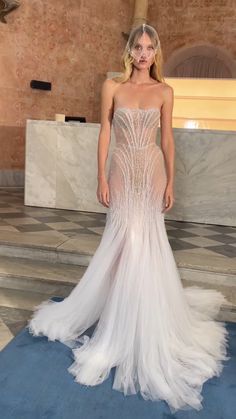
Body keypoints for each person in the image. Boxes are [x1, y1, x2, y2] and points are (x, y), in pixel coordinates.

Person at [27, 23, 230, 413]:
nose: (143, 53)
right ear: (129, 52)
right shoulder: (113, 88)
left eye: (149, 47)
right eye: (137, 46)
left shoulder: (165, 92)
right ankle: (120, 321)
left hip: (150, 171)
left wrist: (171, 181)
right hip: (121, 168)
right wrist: (100, 175)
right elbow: (104, 131)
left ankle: (143, 322)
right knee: (122, 243)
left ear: (156, 52)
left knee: (145, 242)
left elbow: (166, 138)